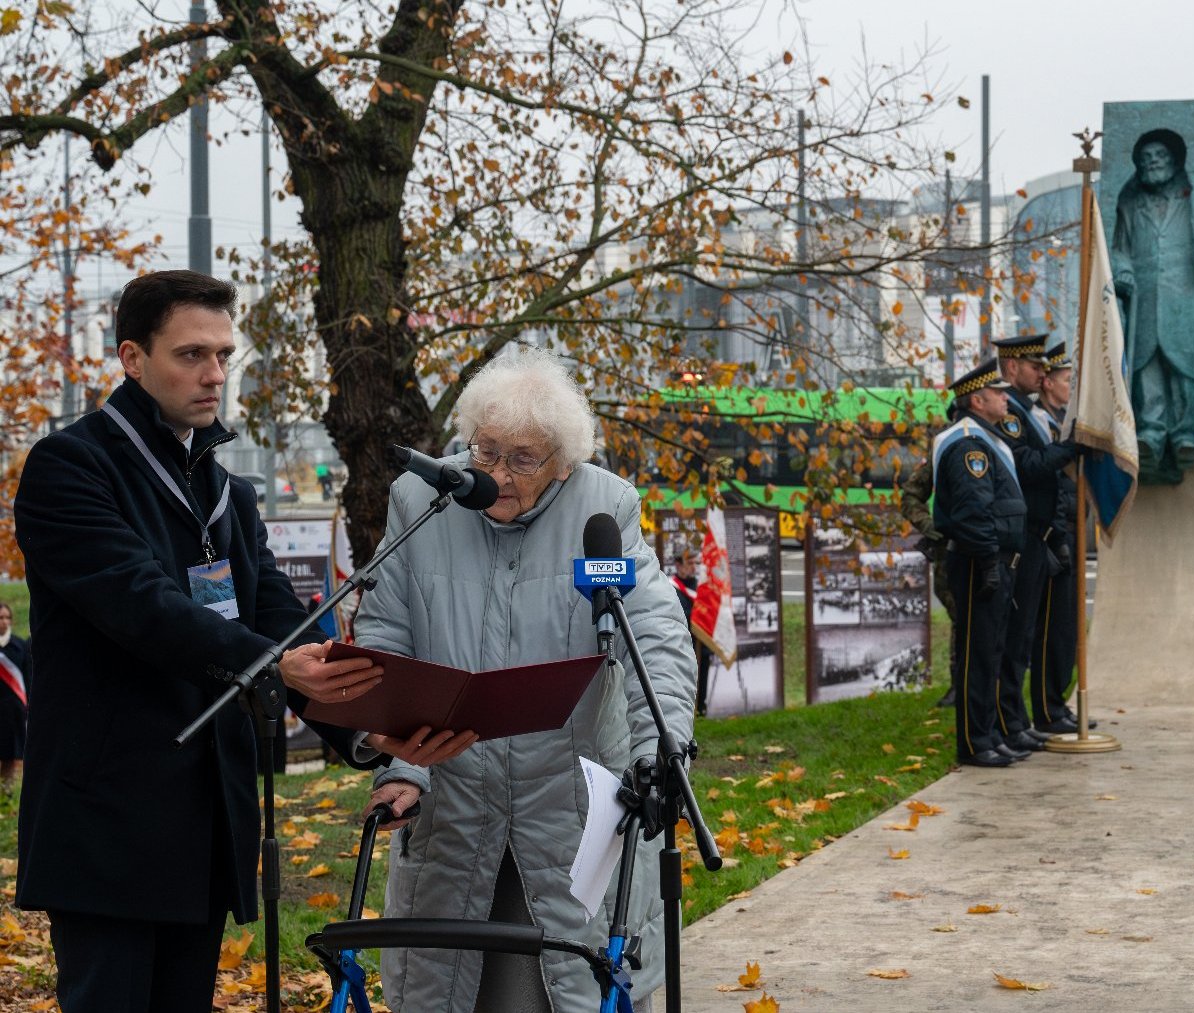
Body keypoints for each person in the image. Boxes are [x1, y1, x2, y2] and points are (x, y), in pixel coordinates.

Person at [10, 270, 454, 1013]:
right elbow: (139, 603)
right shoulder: (71, 467)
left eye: (223, 354)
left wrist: (375, 733)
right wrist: (269, 661)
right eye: (191, 354)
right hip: (106, 832)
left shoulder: (227, 491)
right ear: (131, 357)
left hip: (206, 828)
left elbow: (281, 620)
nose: (214, 373)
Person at [356, 348, 696, 1013]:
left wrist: (663, 747)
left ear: (563, 463)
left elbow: (653, 637)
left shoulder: (606, 507)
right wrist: (401, 765)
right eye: (485, 452)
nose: (497, 476)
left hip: (571, 802)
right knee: (453, 988)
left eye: (522, 459)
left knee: (572, 985)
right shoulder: (420, 499)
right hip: (452, 798)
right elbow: (387, 640)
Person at [931, 359, 1026, 769]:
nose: (1007, 398)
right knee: (978, 653)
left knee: (993, 650)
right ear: (977, 399)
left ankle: (988, 734)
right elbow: (973, 511)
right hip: (977, 562)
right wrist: (989, 559)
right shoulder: (968, 442)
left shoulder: (985, 437)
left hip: (994, 560)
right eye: (999, 393)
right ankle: (975, 742)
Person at [1111, 129, 1194, 475]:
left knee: (1187, 363)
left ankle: (1185, 433)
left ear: (1174, 159)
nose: (1152, 162)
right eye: (1145, 158)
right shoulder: (1129, 202)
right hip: (1145, 293)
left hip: (1186, 291)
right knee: (1148, 365)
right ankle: (1152, 432)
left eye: (1159, 156)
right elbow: (1118, 248)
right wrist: (1123, 271)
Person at [993, 334, 1077, 758]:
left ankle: (1018, 719)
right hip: (1023, 538)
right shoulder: (1012, 416)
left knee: (1025, 636)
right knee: (1014, 637)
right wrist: (1071, 445)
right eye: (1034, 367)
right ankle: (1010, 721)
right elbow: (1028, 466)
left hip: (1040, 536)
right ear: (1011, 368)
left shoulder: (1024, 412)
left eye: (1046, 369)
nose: (1042, 374)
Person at [1027, 344, 1080, 735]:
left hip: (1070, 529)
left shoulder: (1063, 419)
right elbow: (1052, 482)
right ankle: (1047, 709)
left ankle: (1058, 703)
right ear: (1046, 382)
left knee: (1067, 627)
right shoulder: (1039, 421)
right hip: (1052, 533)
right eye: (1067, 380)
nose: (1072, 386)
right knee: (1050, 627)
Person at [899, 453, 958, 708]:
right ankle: (960, 686)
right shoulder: (944, 447)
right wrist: (928, 525)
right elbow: (911, 495)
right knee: (961, 618)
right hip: (951, 552)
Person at [669, 552, 713, 717]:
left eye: (696, 563)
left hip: (701, 644)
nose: (694, 567)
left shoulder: (700, 587)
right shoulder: (671, 588)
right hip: (683, 645)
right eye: (689, 563)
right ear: (678, 565)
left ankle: (701, 709)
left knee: (702, 678)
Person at [0, 602, 29, 789]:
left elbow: (29, 678)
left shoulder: (20, 646)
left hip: (12, 713)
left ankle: (6, 796)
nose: (4, 621)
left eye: (7, 617)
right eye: (0, 617)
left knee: (10, 757)